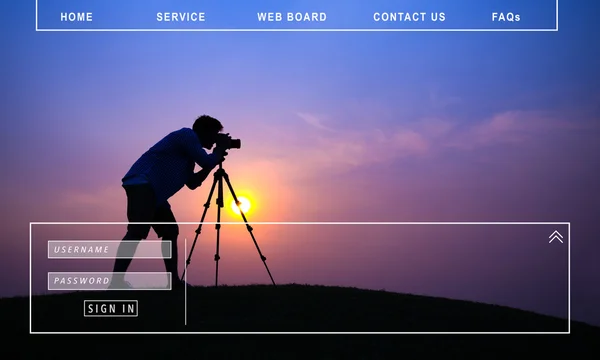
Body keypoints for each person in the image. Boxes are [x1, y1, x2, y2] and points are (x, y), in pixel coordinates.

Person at [109, 115, 230, 290]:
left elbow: (192, 183)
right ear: (203, 131)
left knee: (170, 231)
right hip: (143, 183)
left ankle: (173, 282)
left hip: (154, 191)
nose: (215, 139)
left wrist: (213, 161)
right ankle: (116, 283)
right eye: (214, 134)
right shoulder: (187, 136)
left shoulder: (189, 154)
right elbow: (205, 160)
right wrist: (217, 154)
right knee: (136, 232)